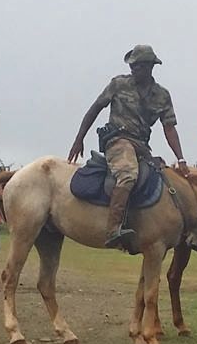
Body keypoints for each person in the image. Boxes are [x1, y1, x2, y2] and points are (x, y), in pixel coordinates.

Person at [67, 44, 187, 251]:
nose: (134, 69)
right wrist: (79, 139)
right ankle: (113, 228)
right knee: (128, 174)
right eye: (132, 66)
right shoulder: (118, 84)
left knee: (163, 177)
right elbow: (94, 109)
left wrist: (181, 158)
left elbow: (169, 128)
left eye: (138, 66)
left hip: (142, 145)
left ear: (150, 67)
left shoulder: (162, 95)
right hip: (117, 140)